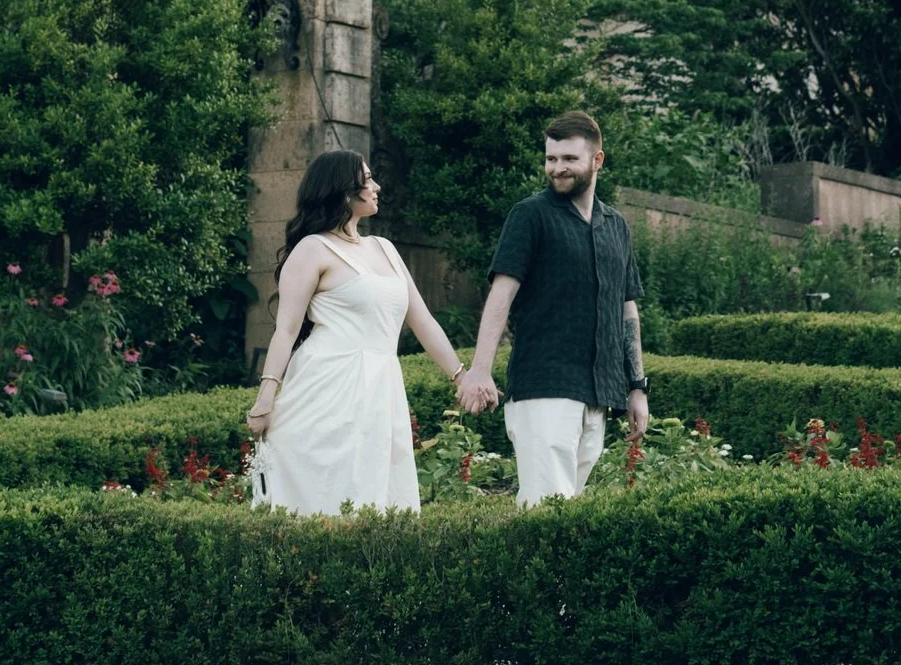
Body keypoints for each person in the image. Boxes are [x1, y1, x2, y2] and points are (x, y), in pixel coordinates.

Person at [246, 148, 494, 516]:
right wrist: (266, 397)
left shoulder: (386, 249)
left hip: (380, 385)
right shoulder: (312, 250)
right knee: (324, 492)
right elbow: (285, 330)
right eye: (367, 180)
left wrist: (461, 376)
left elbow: (422, 320)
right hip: (327, 384)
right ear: (343, 191)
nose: (376, 187)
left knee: (376, 492)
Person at [466, 110, 649, 505]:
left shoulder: (615, 225)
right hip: (543, 388)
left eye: (569, 159)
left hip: (599, 393)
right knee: (547, 514)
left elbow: (626, 312)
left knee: (563, 515)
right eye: (551, 159)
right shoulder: (530, 216)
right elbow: (501, 295)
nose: (558, 168)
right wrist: (480, 369)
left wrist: (636, 387)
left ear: (597, 161)